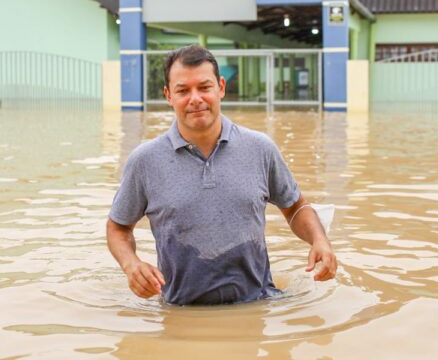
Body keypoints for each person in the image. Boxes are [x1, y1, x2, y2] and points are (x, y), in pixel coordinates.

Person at [106, 45, 337, 305]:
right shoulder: (145, 161)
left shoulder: (260, 148)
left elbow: (295, 207)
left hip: (257, 307)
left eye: (204, 87)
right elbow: (118, 227)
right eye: (183, 90)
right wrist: (131, 264)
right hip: (181, 312)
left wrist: (320, 240)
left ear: (221, 88)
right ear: (168, 95)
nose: (195, 99)